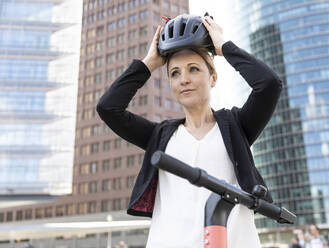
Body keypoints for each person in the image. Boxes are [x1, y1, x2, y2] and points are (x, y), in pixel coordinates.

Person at [96, 14, 282, 248]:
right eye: (175, 73)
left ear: (213, 78)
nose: (184, 79)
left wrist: (223, 47)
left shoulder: (236, 127)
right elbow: (108, 108)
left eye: (193, 69)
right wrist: (149, 63)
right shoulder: (161, 136)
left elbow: (269, 85)